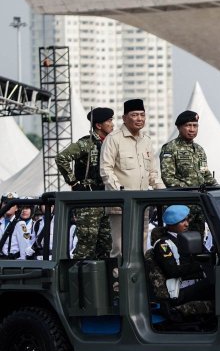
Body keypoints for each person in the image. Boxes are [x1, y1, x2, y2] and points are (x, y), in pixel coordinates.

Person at [100, 98, 166, 258]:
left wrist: (164, 193)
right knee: (120, 249)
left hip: (142, 205)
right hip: (120, 204)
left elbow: (153, 173)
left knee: (141, 248)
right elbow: (105, 169)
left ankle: (139, 282)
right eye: (135, 115)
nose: (139, 119)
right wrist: (120, 193)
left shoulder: (147, 141)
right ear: (124, 118)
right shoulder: (113, 139)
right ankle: (118, 283)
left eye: (142, 115)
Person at [56, 107, 114, 259]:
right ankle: (78, 280)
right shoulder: (86, 143)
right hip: (89, 200)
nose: (112, 124)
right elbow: (61, 158)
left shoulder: (111, 143)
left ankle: (104, 281)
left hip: (106, 199)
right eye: (108, 121)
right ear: (98, 125)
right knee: (87, 244)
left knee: (107, 245)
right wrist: (74, 183)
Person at [152, 205, 214, 308]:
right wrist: (199, 266)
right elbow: (173, 271)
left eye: (187, 220)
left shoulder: (191, 238)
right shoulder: (164, 244)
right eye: (182, 221)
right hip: (178, 291)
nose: (186, 224)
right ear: (171, 225)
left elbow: (207, 256)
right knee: (215, 283)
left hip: (194, 283)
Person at [160, 110, 220, 189]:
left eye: (195, 126)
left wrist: (217, 187)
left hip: (200, 197)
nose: (192, 129)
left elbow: (205, 174)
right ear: (179, 127)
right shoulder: (170, 148)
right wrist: (190, 189)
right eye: (188, 125)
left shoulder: (199, 149)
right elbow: (168, 178)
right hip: (183, 197)